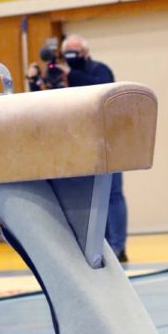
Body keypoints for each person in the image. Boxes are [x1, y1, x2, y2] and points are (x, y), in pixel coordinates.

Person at [60, 34, 128, 263]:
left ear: (85, 52)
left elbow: (103, 91)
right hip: (81, 141)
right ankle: (103, 245)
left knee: (113, 194)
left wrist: (72, 74)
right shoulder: (60, 76)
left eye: (75, 51)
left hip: (107, 138)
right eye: (67, 51)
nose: (71, 56)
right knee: (92, 196)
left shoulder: (100, 70)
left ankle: (119, 246)